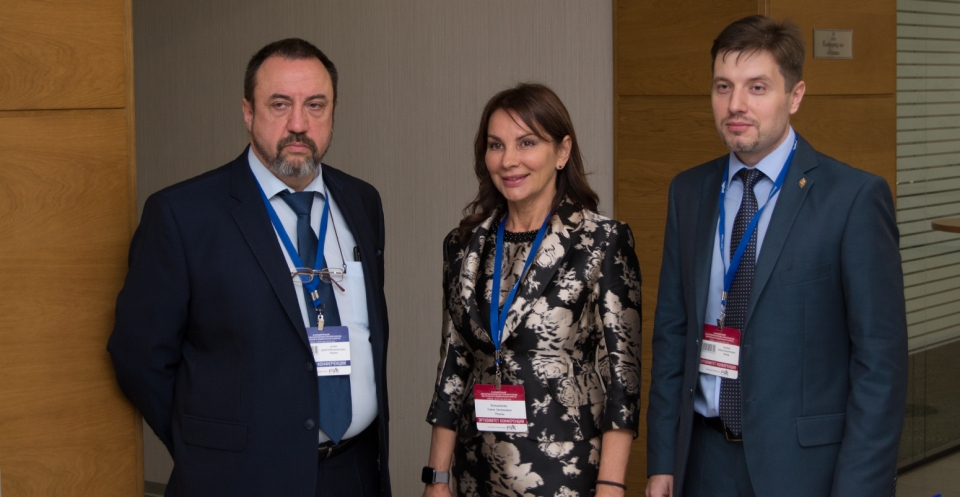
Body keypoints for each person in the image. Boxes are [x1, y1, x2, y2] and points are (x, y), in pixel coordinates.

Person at [108, 38, 391, 497]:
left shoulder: (361, 201)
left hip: (353, 473)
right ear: (247, 112)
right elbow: (140, 356)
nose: (298, 124)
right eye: (279, 104)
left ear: (333, 111)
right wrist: (207, 449)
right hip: (239, 480)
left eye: (315, 105)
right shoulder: (183, 215)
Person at [645, 16, 907, 497]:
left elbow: (880, 366)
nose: (736, 104)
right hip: (701, 463)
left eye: (757, 87)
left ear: (795, 95)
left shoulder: (852, 199)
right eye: (723, 87)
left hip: (806, 473)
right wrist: (662, 459)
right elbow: (672, 335)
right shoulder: (689, 192)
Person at [422, 83, 642, 497]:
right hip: (476, 473)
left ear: (562, 152)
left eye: (527, 143)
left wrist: (612, 486)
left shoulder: (601, 241)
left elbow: (622, 379)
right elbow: (453, 364)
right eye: (496, 145)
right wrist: (437, 477)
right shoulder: (463, 245)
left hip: (565, 472)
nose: (509, 160)